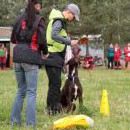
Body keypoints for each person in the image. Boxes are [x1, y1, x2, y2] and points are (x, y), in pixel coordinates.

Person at [10, 0, 48, 127]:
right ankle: (30, 124)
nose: (40, 8)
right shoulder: (39, 19)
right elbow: (42, 40)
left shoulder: (18, 19)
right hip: (31, 57)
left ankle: (14, 122)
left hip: (18, 56)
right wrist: (45, 52)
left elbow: (13, 39)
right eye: (39, 5)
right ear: (37, 5)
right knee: (31, 92)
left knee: (21, 91)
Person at [45, 4, 80, 115]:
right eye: (73, 17)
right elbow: (54, 35)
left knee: (54, 83)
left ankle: (52, 108)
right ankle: (52, 110)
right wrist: (69, 42)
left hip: (55, 55)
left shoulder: (59, 20)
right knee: (55, 84)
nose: (73, 19)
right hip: (53, 55)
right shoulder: (59, 21)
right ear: (69, 12)